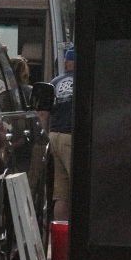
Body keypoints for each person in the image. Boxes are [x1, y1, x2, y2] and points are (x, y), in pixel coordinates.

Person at [50, 47, 75, 221]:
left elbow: (43, 111)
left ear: (66, 62)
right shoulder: (84, 81)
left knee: (61, 194)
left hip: (54, 136)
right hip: (71, 137)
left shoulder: (55, 82)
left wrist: (46, 133)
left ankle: (60, 233)